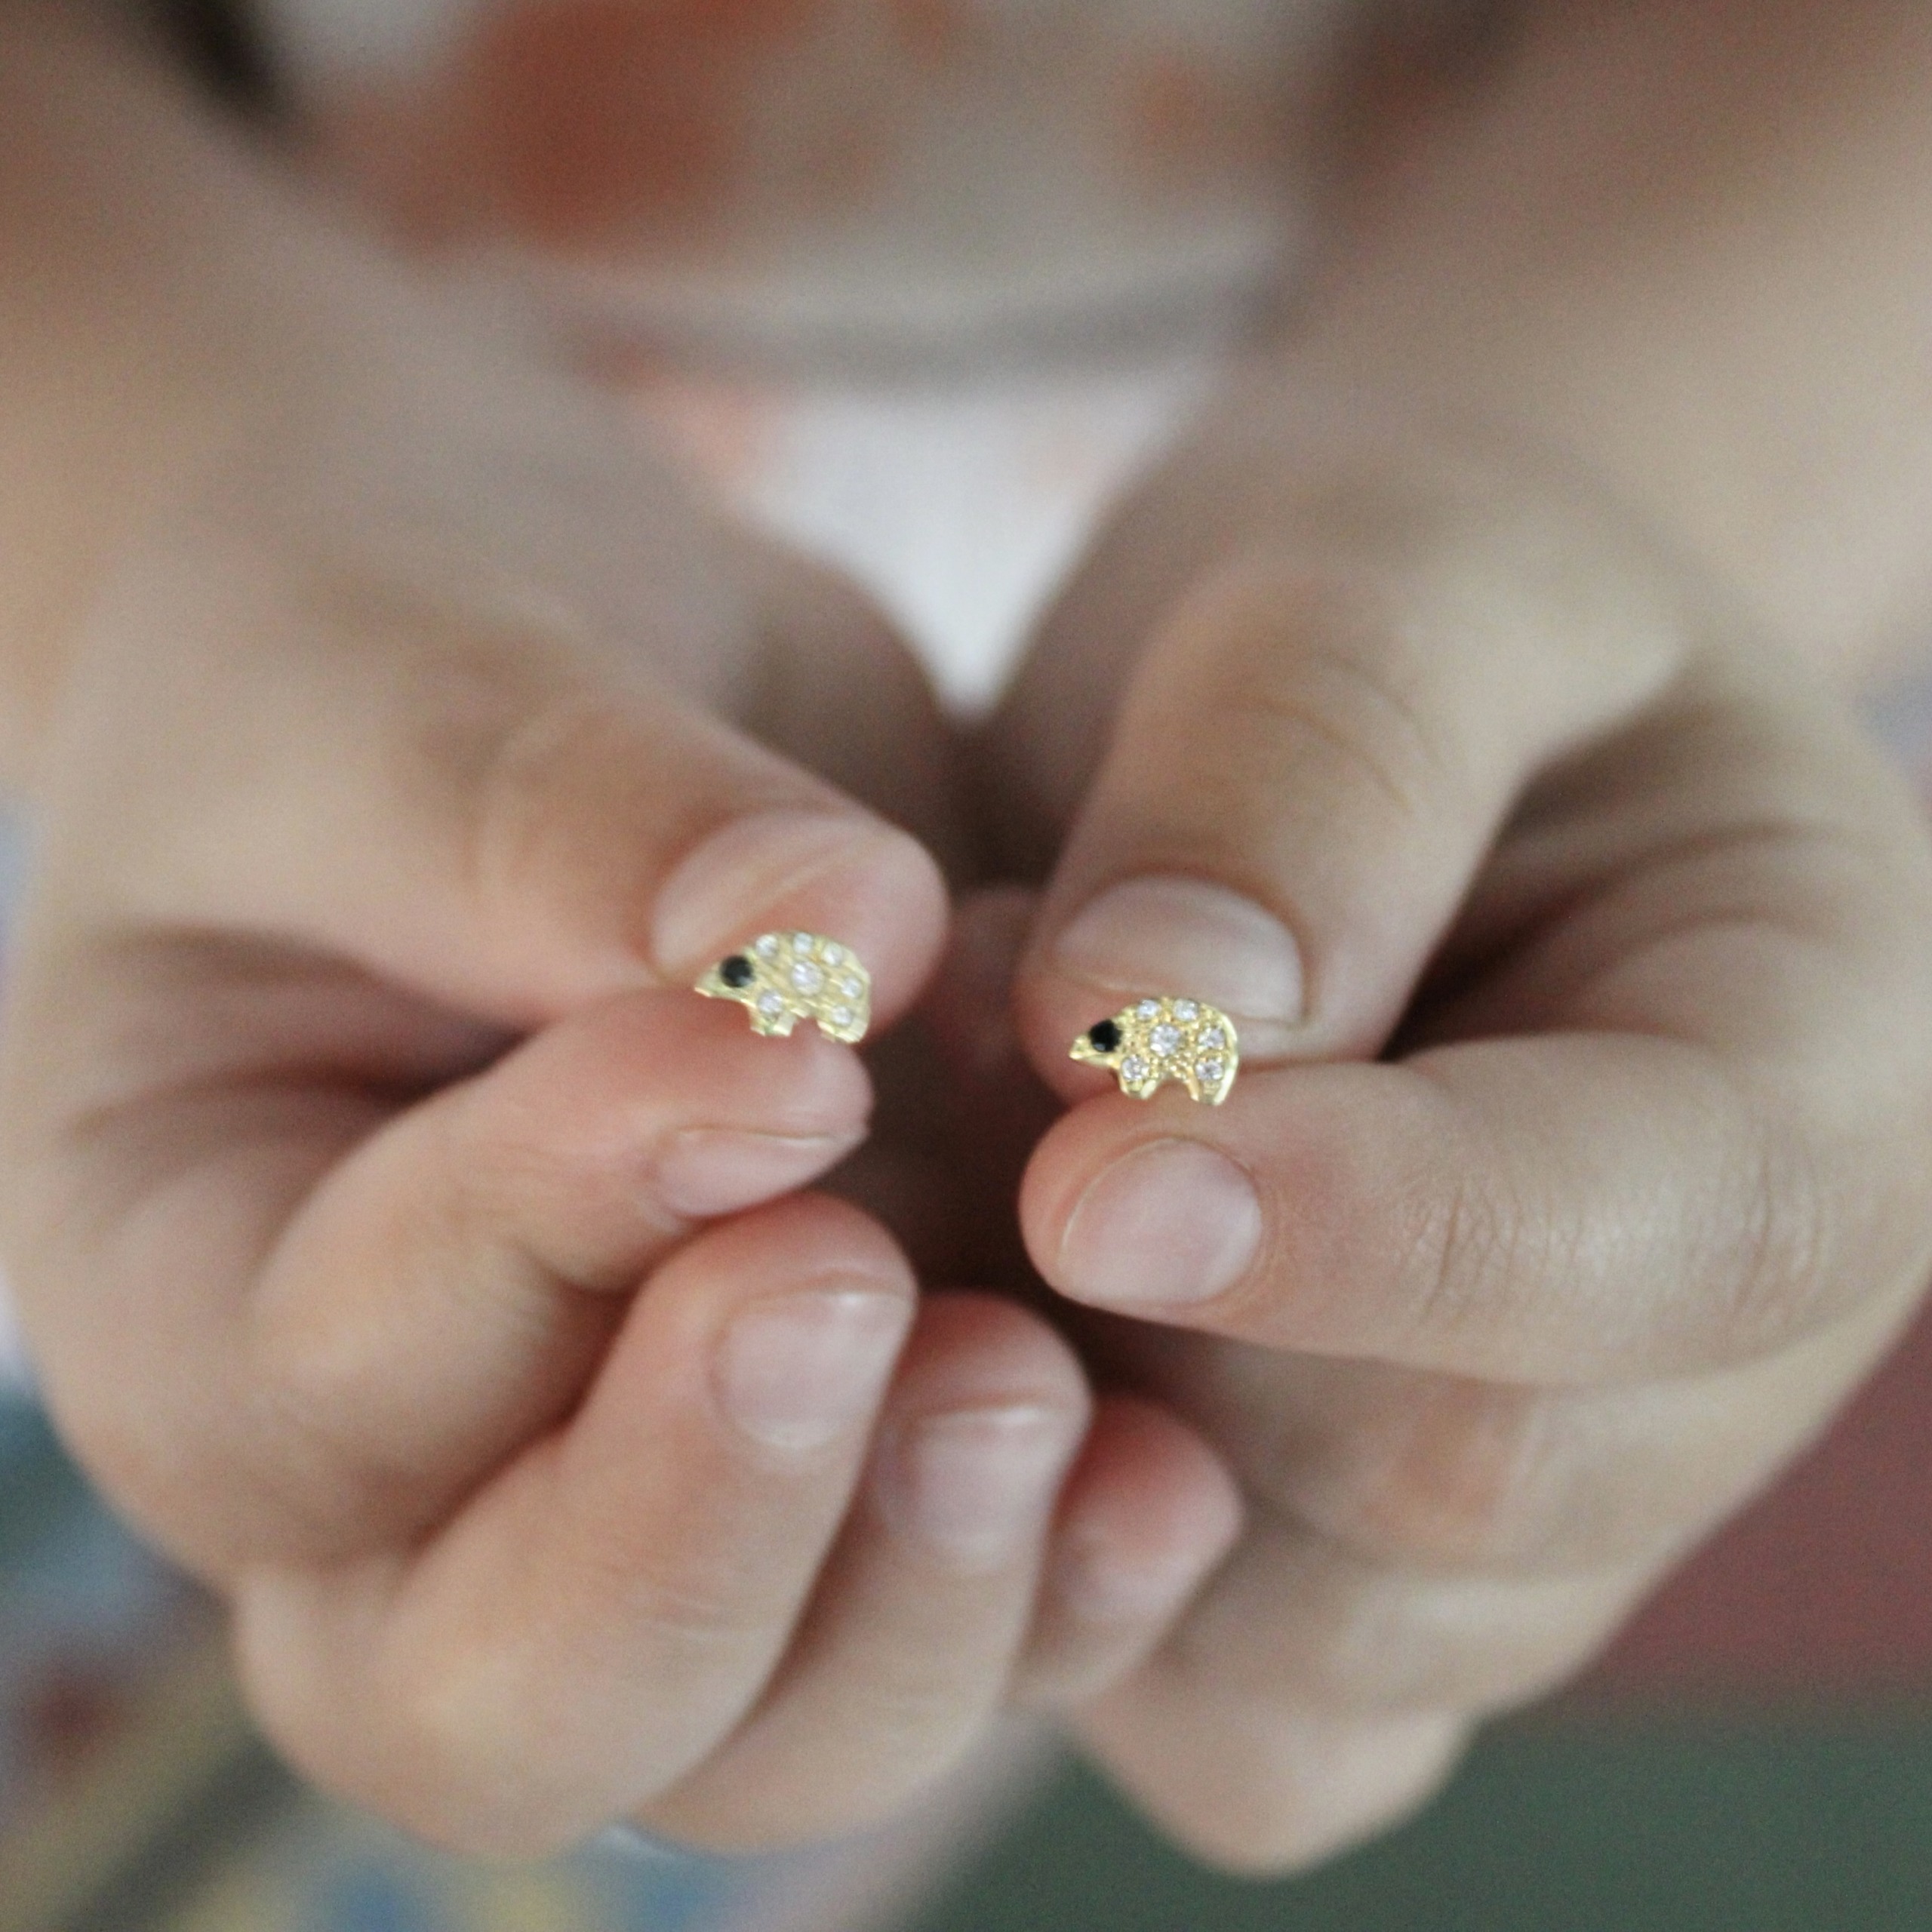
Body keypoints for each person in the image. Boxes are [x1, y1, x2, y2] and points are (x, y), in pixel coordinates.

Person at [5, 0, 1932, 1873]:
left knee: (907, 1555)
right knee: (606, 1530)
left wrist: (1610, 480)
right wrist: (166, 502)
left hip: (1564, 665)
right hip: (267, 788)